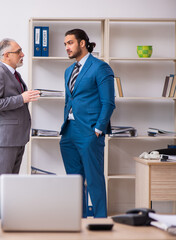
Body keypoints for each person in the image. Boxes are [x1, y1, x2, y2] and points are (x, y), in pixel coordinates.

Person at [59, 29, 115, 218]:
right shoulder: (68, 71)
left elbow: (108, 102)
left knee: (94, 180)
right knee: (74, 182)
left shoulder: (100, 67)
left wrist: (98, 129)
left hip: (90, 131)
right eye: (65, 44)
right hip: (69, 132)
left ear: (82, 43)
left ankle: (100, 221)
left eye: (70, 43)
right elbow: (70, 100)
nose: (67, 47)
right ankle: (79, 221)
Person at [0, 38, 40, 195]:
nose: (23, 54)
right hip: (4, 140)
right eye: (18, 52)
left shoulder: (15, 75)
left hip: (17, 138)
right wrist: (21, 98)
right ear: (6, 55)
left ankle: (5, 219)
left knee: (9, 187)